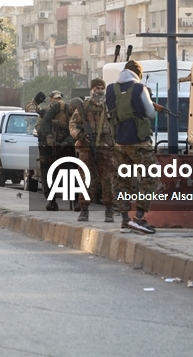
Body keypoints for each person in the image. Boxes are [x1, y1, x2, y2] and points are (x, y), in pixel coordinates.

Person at [106, 61, 163, 233]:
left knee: (121, 180)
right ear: (137, 74)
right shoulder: (140, 88)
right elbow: (150, 114)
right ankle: (139, 217)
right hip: (139, 142)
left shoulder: (110, 89)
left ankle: (124, 220)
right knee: (149, 177)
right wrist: (150, 103)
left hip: (119, 142)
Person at [69, 78, 117, 222]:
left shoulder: (109, 107)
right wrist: (79, 135)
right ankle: (84, 209)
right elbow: (72, 125)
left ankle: (109, 210)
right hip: (86, 147)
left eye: (102, 87)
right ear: (92, 89)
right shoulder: (83, 107)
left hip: (105, 148)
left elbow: (117, 125)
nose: (100, 90)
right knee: (84, 179)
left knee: (107, 179)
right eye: (97, 87)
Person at [38, 91, 74, 210]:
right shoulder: (45, 113)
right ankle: (51, 200)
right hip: (47, 146)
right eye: (55, 98)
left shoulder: (67, 111)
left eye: (59, 98)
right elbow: (40, 128)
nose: (57, 100)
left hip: (63, 145)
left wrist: (66, 142)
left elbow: (72, 129)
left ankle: (75, 200)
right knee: (47, 173)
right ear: (50, 99)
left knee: (71, 170)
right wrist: (48, 138)